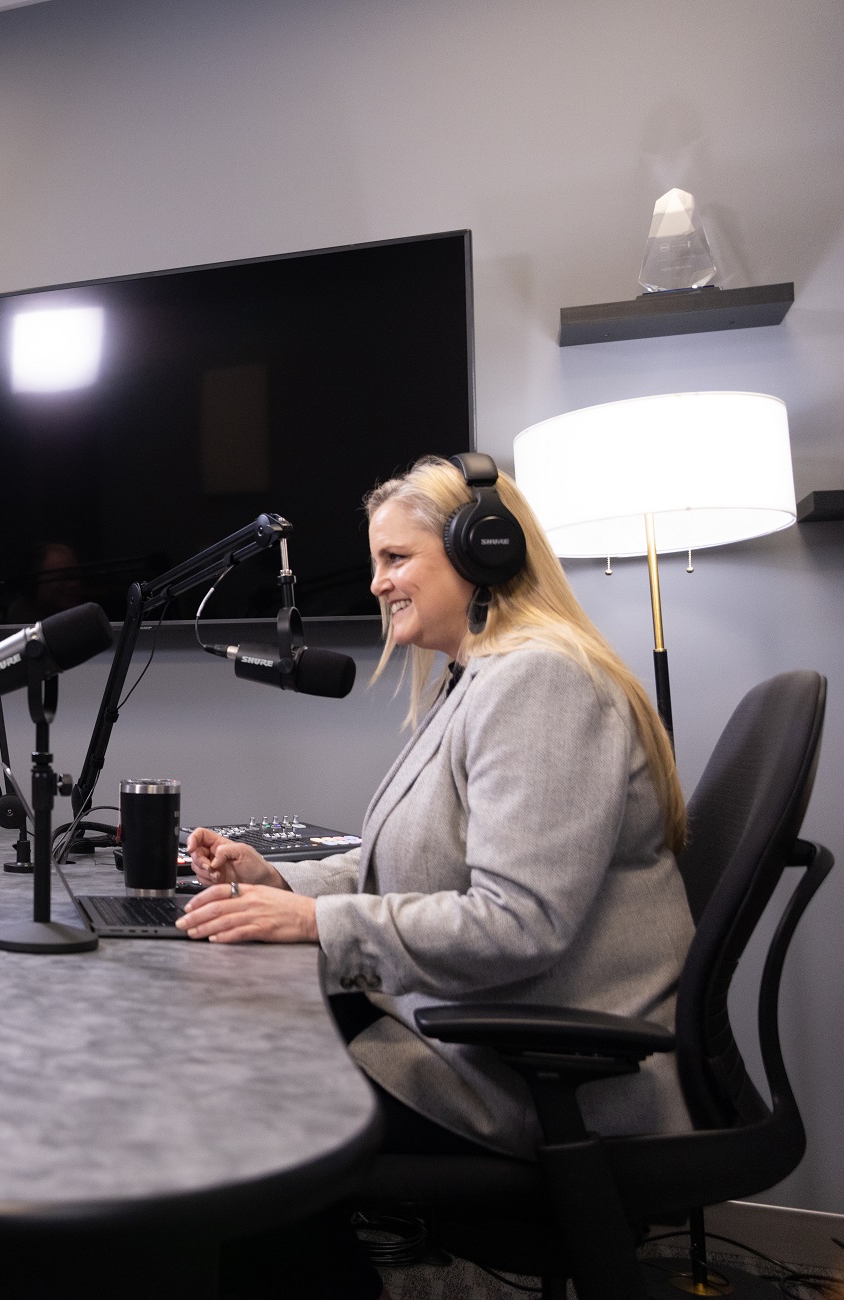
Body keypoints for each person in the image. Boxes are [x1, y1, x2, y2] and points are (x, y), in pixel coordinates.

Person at [176, 454, 694, 1300]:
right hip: (478, 1037)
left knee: (245, 1113)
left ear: (483, 551)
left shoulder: (540, 682)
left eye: (396, 558)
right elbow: (410, 862)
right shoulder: (475, 681)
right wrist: (284, 880)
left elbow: (518, 923)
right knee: (239, 1042)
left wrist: (314, 925)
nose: (377, 583)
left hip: (541, 1075)